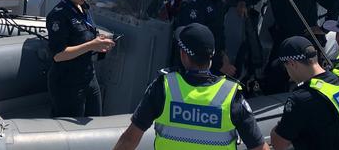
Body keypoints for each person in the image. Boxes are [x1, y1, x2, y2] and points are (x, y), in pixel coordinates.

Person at [113, 23, 269, 150]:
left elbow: (129, 141)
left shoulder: (163, 88)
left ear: (183, 55)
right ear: (211, 57)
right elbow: (259, 147)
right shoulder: (231, 95)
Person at [236, 0, 339, 93]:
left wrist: (324, 28)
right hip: (283, 36)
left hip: (307, 37)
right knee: (273, 77)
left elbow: (336, 4)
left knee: (310, 78)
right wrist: (243, 1)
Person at [270, 36, 339, 150]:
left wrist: (276, 130)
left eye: (286, 67)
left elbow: (279, 143)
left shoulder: (302, 98)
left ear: (292, 64)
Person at [46, 0, 115, 117]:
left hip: (88, 77)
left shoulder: (83, 7)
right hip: (67, 83)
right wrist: (91, 45)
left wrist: (98, 42)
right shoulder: (58, 15)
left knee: (95, 122)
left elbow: (84, 37)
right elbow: (58, 54)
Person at [174, 0, 236, 76]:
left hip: (213, 58)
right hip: (194, 64)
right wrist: (220, 65)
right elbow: (194, 43)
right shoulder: (193, 4)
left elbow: (219, 31)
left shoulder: (217, 1)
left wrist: (223, 54)